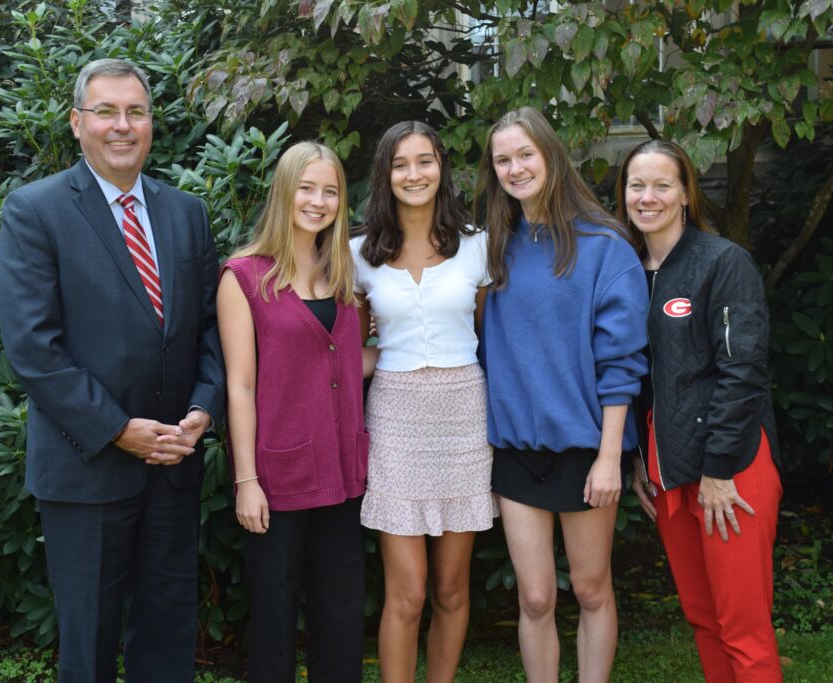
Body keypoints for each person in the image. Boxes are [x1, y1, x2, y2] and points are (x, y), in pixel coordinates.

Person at [0, 59, 225, 682]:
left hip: (173, 465)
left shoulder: (186, 213)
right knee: (89, 646)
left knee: (167, 634)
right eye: (106, 111)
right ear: (77, 123)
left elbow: (210, 328)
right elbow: (34, 351)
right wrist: (119, 428)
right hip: (87, 466)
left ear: (152, 123)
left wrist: (203, 409)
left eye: (136, 112)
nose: (122, 126)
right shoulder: (35, 211)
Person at [475, 107, 648, 683]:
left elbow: (622, 365)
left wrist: (609, 457)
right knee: (536, 599)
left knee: (593, 590)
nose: (515, 168)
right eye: (503, 159)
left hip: (585, 449)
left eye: (526, 154)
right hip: (518, 452)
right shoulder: (491, 250)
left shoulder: (605, 248)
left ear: (551, 155)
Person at [616, 139, 783, 682]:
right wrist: (642, 459)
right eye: (637, 185)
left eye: (663, 184)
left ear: (686, 192)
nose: (648, 197)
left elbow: (744, 373)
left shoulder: (722, 262)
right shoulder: (628, 272)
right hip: (668, 473)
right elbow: (640, 380)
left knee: (743, 626)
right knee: (704, 619)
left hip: (731, 470)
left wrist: (718, 471)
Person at [351, 121, 497, 683]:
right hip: (395, 417)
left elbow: (490, 338)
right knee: (407, 594)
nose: (415, 174)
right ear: (385, 175)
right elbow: (351, 346)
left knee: (451, 588)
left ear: (442, 168)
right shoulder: (359, 253)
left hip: (463, 414)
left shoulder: (478, 247)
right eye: (401, 164)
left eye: (425, 161)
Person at [218, 141, 368, 682]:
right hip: (277, 476)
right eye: (307, 188)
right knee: (275, 619)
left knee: (342, 617)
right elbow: (240, 385)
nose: (318, 201)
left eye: (330, 191)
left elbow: (348, 361)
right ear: (285, 191)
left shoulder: (346, 276)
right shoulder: (245, 277)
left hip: (343, 473)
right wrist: (247, 481)